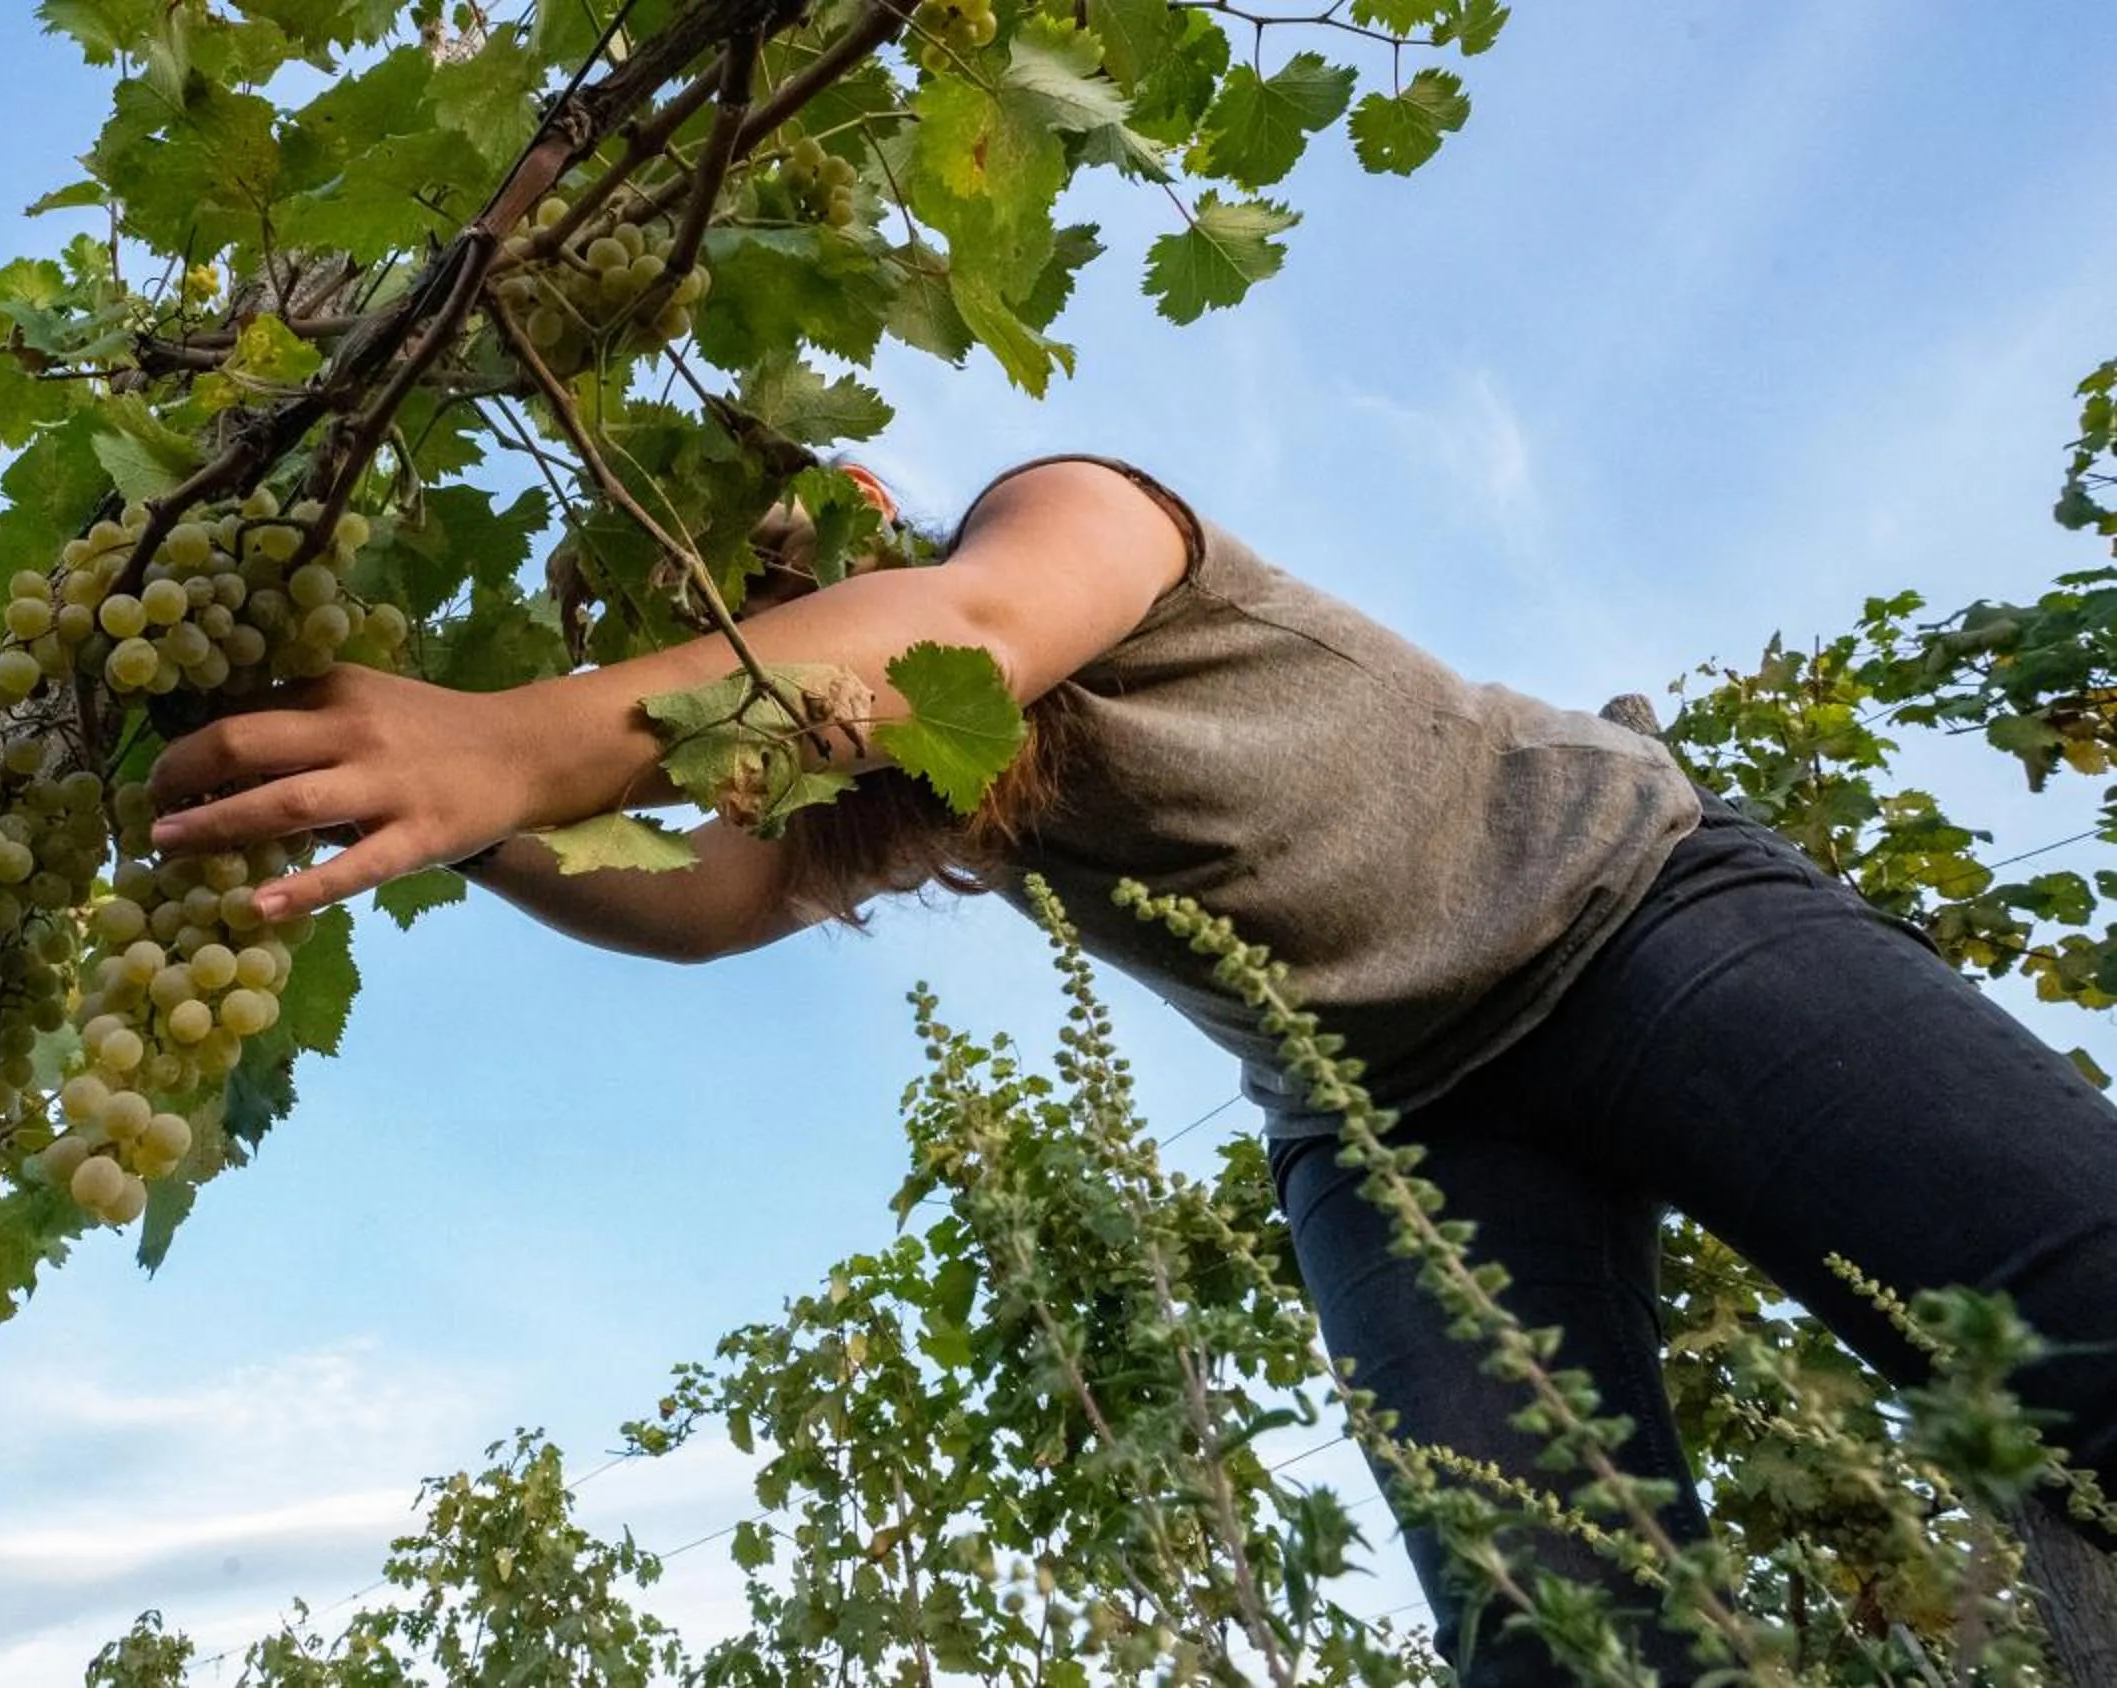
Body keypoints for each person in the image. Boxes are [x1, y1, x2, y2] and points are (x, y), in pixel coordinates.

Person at [145, 454, 2117, 1684]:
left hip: (1628, 912)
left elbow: (961, 623)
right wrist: (446, 813)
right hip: (1395, 1128)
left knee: (2091, 1325)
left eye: (772, 571)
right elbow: (698, 905)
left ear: (859, 521)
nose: (744, 623)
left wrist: (516, 734)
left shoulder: (1065, 517)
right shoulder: (906, 790)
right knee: (1563, 1641)